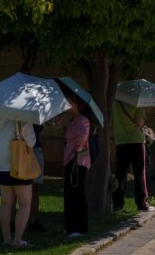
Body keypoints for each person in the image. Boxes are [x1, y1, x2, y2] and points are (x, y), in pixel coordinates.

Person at [0, 117, 36, 248]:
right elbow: (31, 142)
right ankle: (17, 240)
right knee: (25, 204)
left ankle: (6, 239)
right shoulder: (24, 117)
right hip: (19, 165)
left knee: (5, 203)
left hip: (0, 164)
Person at [112, 101, 153, 212]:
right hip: (136, 142)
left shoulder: (115, 102)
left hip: (121, 141)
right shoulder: (138, 103)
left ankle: (117, 204)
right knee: (139, 173)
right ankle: (142, 203)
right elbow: (139, 122)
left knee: (120, 174)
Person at [62, 88, 91, 237]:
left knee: (77, 193)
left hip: (78, 161)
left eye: (68, 102)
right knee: (70, 193)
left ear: (75, 104)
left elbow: (82, 138)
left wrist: (76, 148)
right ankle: (70, 226)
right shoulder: (74, 120)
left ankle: (80, 228)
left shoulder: (82, 120)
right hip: (71, 160)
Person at [27, 124, 46, 232]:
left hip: (23, 148)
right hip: (32, 148)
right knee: (34, 188)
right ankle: (32, 220)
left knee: (31, 188)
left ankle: (32, 220)